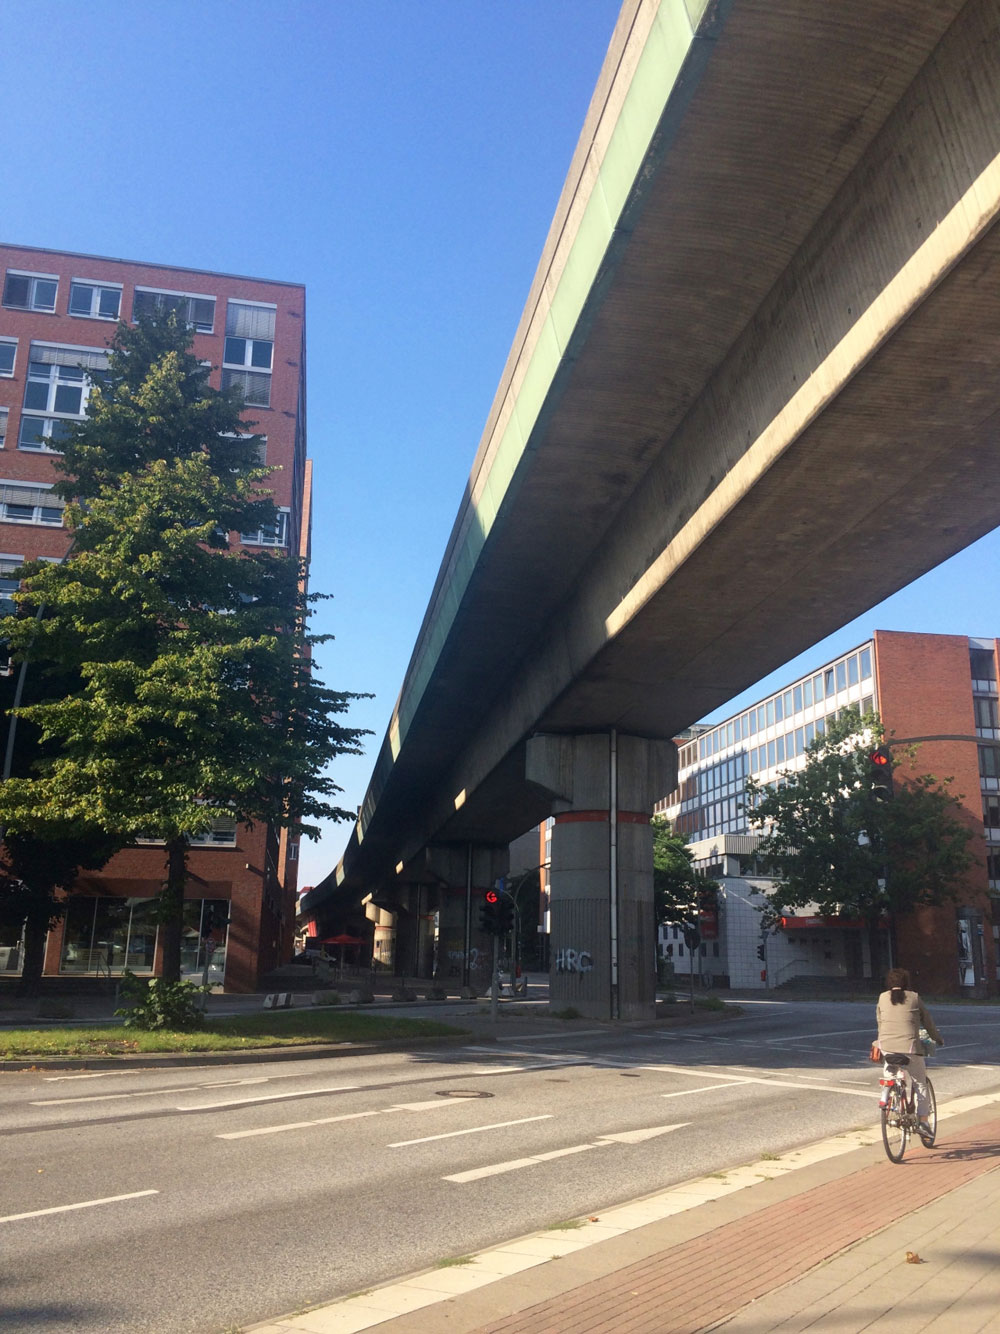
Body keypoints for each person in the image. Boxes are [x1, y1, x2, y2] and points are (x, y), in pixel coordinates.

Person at [875, 967, 944, 1142]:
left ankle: (891, 1098)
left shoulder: (882, 998)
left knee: (890, 1077)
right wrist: (938, 1038)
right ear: (906, 983)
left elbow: (880, 1023)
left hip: (887, 1048)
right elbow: (927, 1022)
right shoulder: (914, 997)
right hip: (910, 1049)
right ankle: (923, 1122)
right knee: (920, 1083)